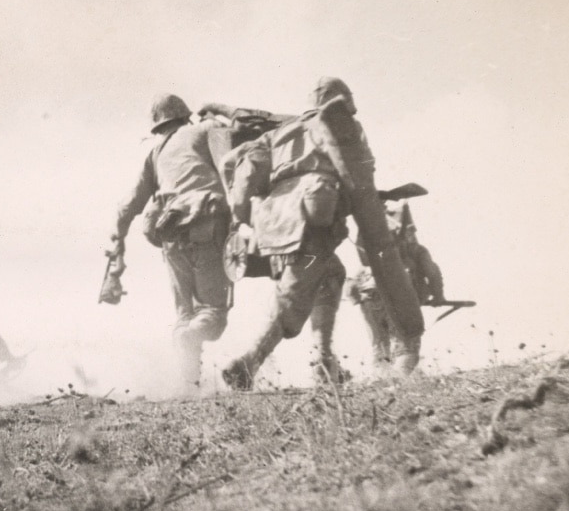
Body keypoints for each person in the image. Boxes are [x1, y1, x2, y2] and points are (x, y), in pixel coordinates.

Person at [210, 78, 367, 392]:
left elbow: (234, 164)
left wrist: (243, 217)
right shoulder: (339, 126)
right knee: (292, 300)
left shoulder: (279, 133)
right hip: (312, 225)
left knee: (331, 274)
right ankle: (247, 363)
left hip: (275, 224)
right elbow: (359, 174)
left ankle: (323, 362)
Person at [110, 94, 233, 392]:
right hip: (207, 226)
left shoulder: (155, 153)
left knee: (185, 315)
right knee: (213, 315)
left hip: (170, 234)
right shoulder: (206, 130)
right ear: (184, 115)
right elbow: (231, 166)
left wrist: (118, 243)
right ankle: (188, 353)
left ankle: (188, 386)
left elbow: (128, 205)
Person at [347, 202, 445, 374]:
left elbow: (353, 286)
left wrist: (356, 298)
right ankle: (398, 384)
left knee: (379, 346)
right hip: (400, 297)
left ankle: (381, 383)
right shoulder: (416, 251)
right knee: (406, 345)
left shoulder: (372, 255)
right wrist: (438, 296)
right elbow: (431, 271)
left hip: (369, 299)